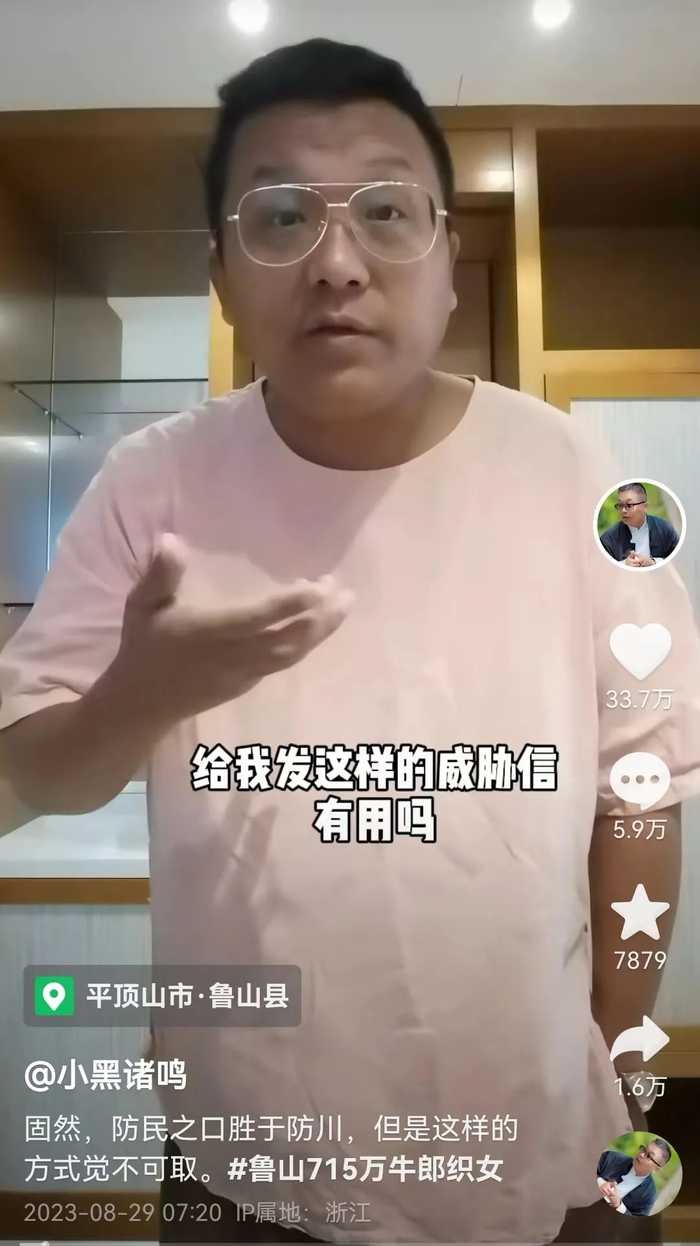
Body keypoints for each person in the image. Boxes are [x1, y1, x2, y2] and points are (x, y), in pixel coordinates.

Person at [1, 36, 699, 1246]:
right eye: (280, 217)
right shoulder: (151, 485)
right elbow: (25, 776)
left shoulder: (567, 470)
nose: (336, 261)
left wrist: (615, 1069)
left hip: (533, 1153)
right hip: (245, 1166)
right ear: (222, 275)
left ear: (444, 259)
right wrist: (136, 696)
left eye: (384, 210)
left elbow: (641, 787)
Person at [600, 483, 680, 567]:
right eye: (620, 505)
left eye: (629, 505)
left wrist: (654, 562)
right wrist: (624, 564)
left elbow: (679, 559)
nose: (623, 510)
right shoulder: (608, 539)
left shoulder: (664, 529)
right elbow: (601, 567)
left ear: (645, 506)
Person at [597, 1139, 671, 1217]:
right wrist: (600, 1183)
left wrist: (618, 1206)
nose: (641, 1154)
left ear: (656, 1169)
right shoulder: (611, 1158)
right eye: (644, 1150)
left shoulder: (648, 1196)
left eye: (649, 1156)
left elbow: (637, 1220)